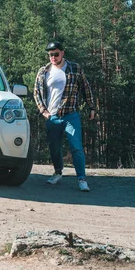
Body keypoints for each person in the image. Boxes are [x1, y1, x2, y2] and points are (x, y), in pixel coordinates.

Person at [34, 41, 96, 192]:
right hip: (52, 116)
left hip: (70, 115)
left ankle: (82, 179)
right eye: (50, 55)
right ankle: (58, 172)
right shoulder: (43, 71)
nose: (53, 57)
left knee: (76, 147)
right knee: (54, 147)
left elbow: (85, 87)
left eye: (56, 54)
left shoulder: (75, 68)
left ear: (62, 53)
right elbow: (36, 93)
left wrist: (91, 107)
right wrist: (44, 112)